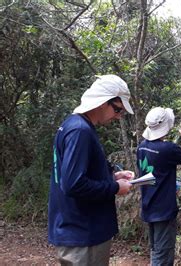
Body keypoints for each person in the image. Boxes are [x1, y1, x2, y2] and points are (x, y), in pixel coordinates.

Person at [48, 74, 135, 265]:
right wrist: (115, 188)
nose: (118, 116)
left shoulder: (72, 125)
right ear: (103, 102)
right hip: (83, 232)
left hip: (78, 227)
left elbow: (76, 172)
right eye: (118, 109)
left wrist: (112, 176)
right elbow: (73, 184)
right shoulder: (80, 131)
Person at [137, 107, 181, 266]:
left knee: (156, 251)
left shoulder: (142, 147)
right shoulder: (168, 149)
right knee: (163, 256)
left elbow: (151, 176)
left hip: (148, 207)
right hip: (163, 211)